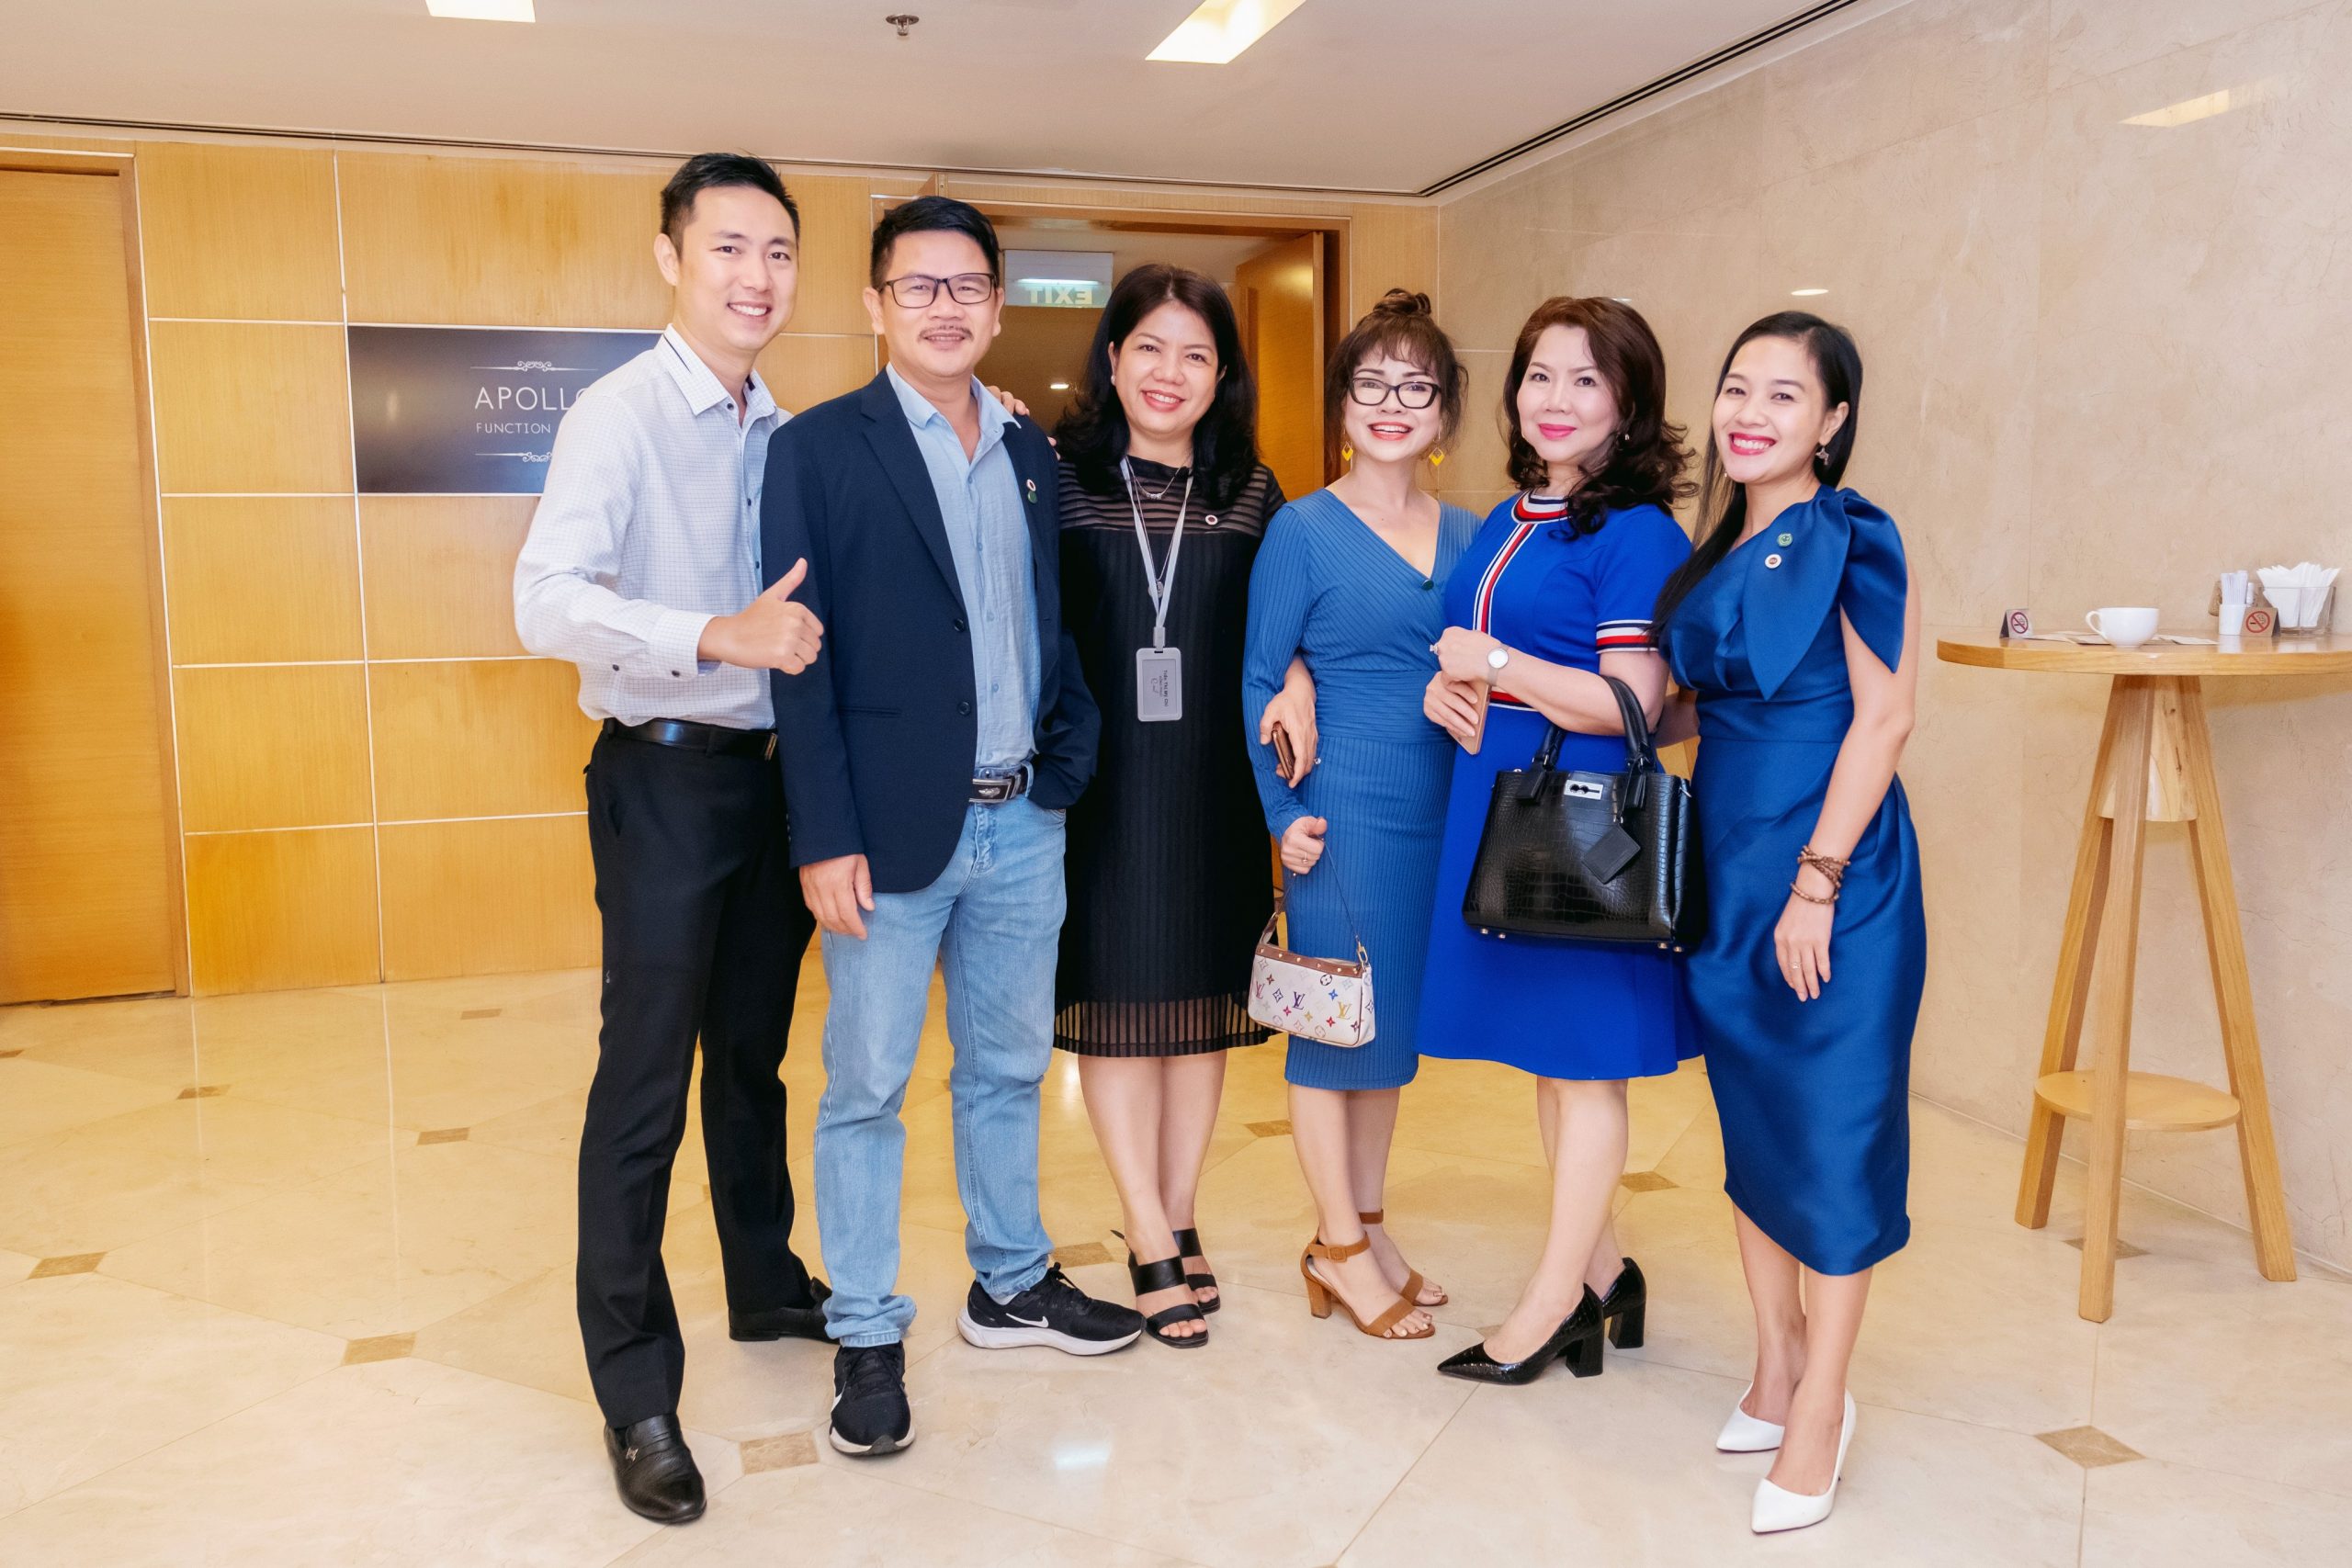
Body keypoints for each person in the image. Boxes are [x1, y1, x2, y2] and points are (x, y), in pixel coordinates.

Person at [764, 196, 1144, 1460]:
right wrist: (823, 833)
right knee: (866, 1086)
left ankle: (1011, 1280)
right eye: (918, 286)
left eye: (968, 285)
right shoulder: (816, 449)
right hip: (883, 833)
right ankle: (866, 1329)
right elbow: (800, 663)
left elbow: (1049, 613)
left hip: (1021, 818)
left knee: (1009, 1065)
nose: (945, 306)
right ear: (875, 304)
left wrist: (1066, 762)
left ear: (997, 303)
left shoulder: (1029, 447)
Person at [514, 152, 827, 1526]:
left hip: (771, 783)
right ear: (671, 259)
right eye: (729, 249)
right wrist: (712, 633)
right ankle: (636, 1389)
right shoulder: (618, 415)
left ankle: (763, 1278)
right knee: (643, 1079)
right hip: (661, 774)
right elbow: (543, 599)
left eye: (779, 252)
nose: (756, 277)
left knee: (751, 1054)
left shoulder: (788, 429)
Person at [1651, 312, 1924, 1534]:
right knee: (1755, 1123)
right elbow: (1689, 712)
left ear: (1832, 421)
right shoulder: (1716, 550)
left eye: (1782, 395)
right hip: (1728, 869)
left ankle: (1822, 1403)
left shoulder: (1854, 536)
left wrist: (1818, 880)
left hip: (1834, 875)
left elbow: (1884, 717)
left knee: (1832, 1131)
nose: (1749, 413)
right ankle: (1774, 1362)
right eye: (1736, 388)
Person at [1417, 298, 1701, 1385]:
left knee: (1584, 1071)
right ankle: (1604, 1274)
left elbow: (1632, 699)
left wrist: (1491, 665)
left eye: (1586, 379)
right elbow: (1478, 655)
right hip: (1507, 806)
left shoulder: (1637, 532)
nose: (1556, 397)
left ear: (1629, 404)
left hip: (1584, 828)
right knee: (1553, 1062)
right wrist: (1451, 688)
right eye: (1540, 373)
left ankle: (1552, 1305)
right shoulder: (1510, 515)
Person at [1052, 264, 1316, 1347]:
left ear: (1222, 375)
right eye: (1149, 349)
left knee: (1202, 1008)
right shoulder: (1057, 476)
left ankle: (1180, 1208)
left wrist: (1296, 676)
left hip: (1215, 785)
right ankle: (1146, 1227)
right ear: (1112, 359)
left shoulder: (1252, 491)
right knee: (1117, 1007)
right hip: (1100, 788)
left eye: (1195, 355)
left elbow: (1290, 621)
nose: (1170, 374)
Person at [1242, 289, 1480, 1342]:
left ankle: (1368, 1229)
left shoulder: (1472, 534)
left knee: (1387, 1034)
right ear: (1341, 405)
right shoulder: (1300, 530)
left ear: (1444, 413)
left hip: (1441, 813)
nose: (1392, 403)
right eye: (1371, 384)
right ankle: (1334, 1248)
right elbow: (1259, 677)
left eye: (1415, 387)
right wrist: (1279, 812)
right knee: (1330, 1028)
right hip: (1339, 813)